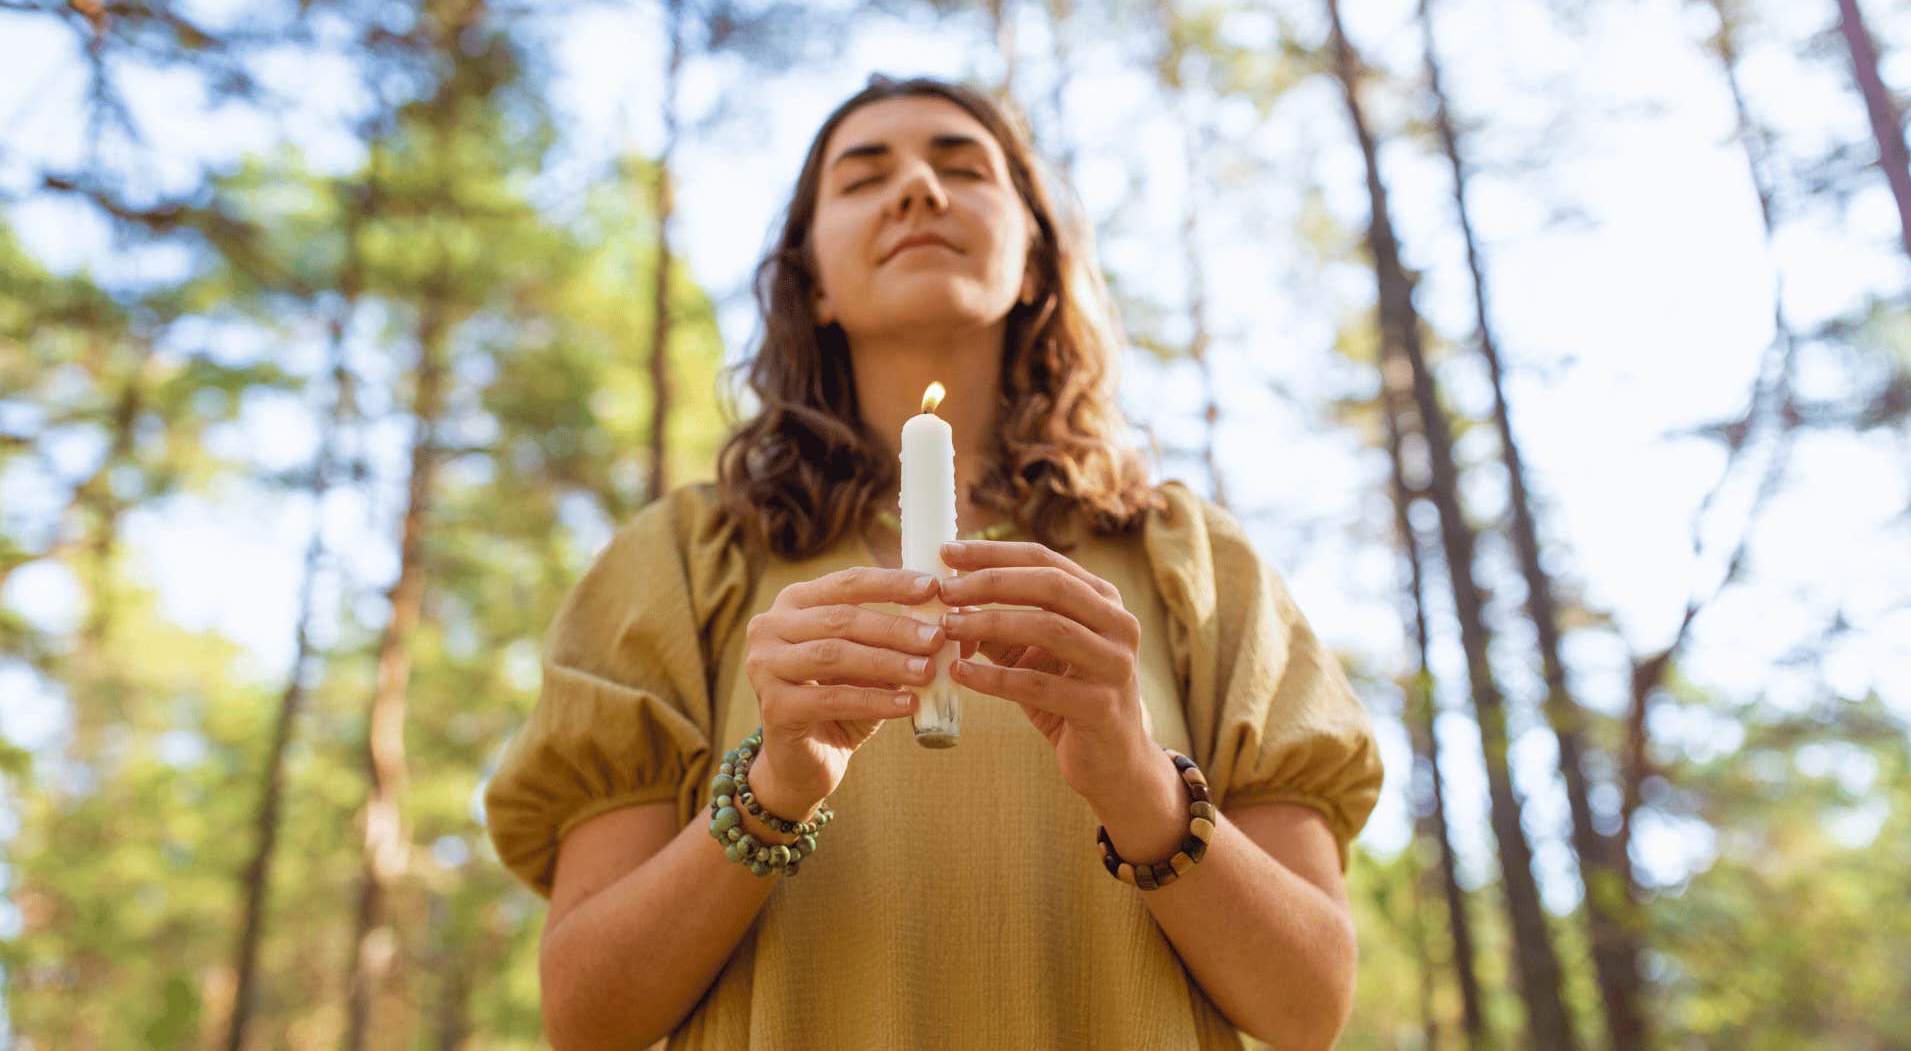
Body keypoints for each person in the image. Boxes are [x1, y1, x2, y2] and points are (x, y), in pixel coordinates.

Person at [483, 74, 1384, 1050]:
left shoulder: (1194, 564)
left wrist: (1136, 780)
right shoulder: (680, 563)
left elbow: (1308, 1009)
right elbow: (589, 1016)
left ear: (1036, 261)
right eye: (865, 178)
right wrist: (774, 788)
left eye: (962, 166)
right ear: (813, 282)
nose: (918, 189)